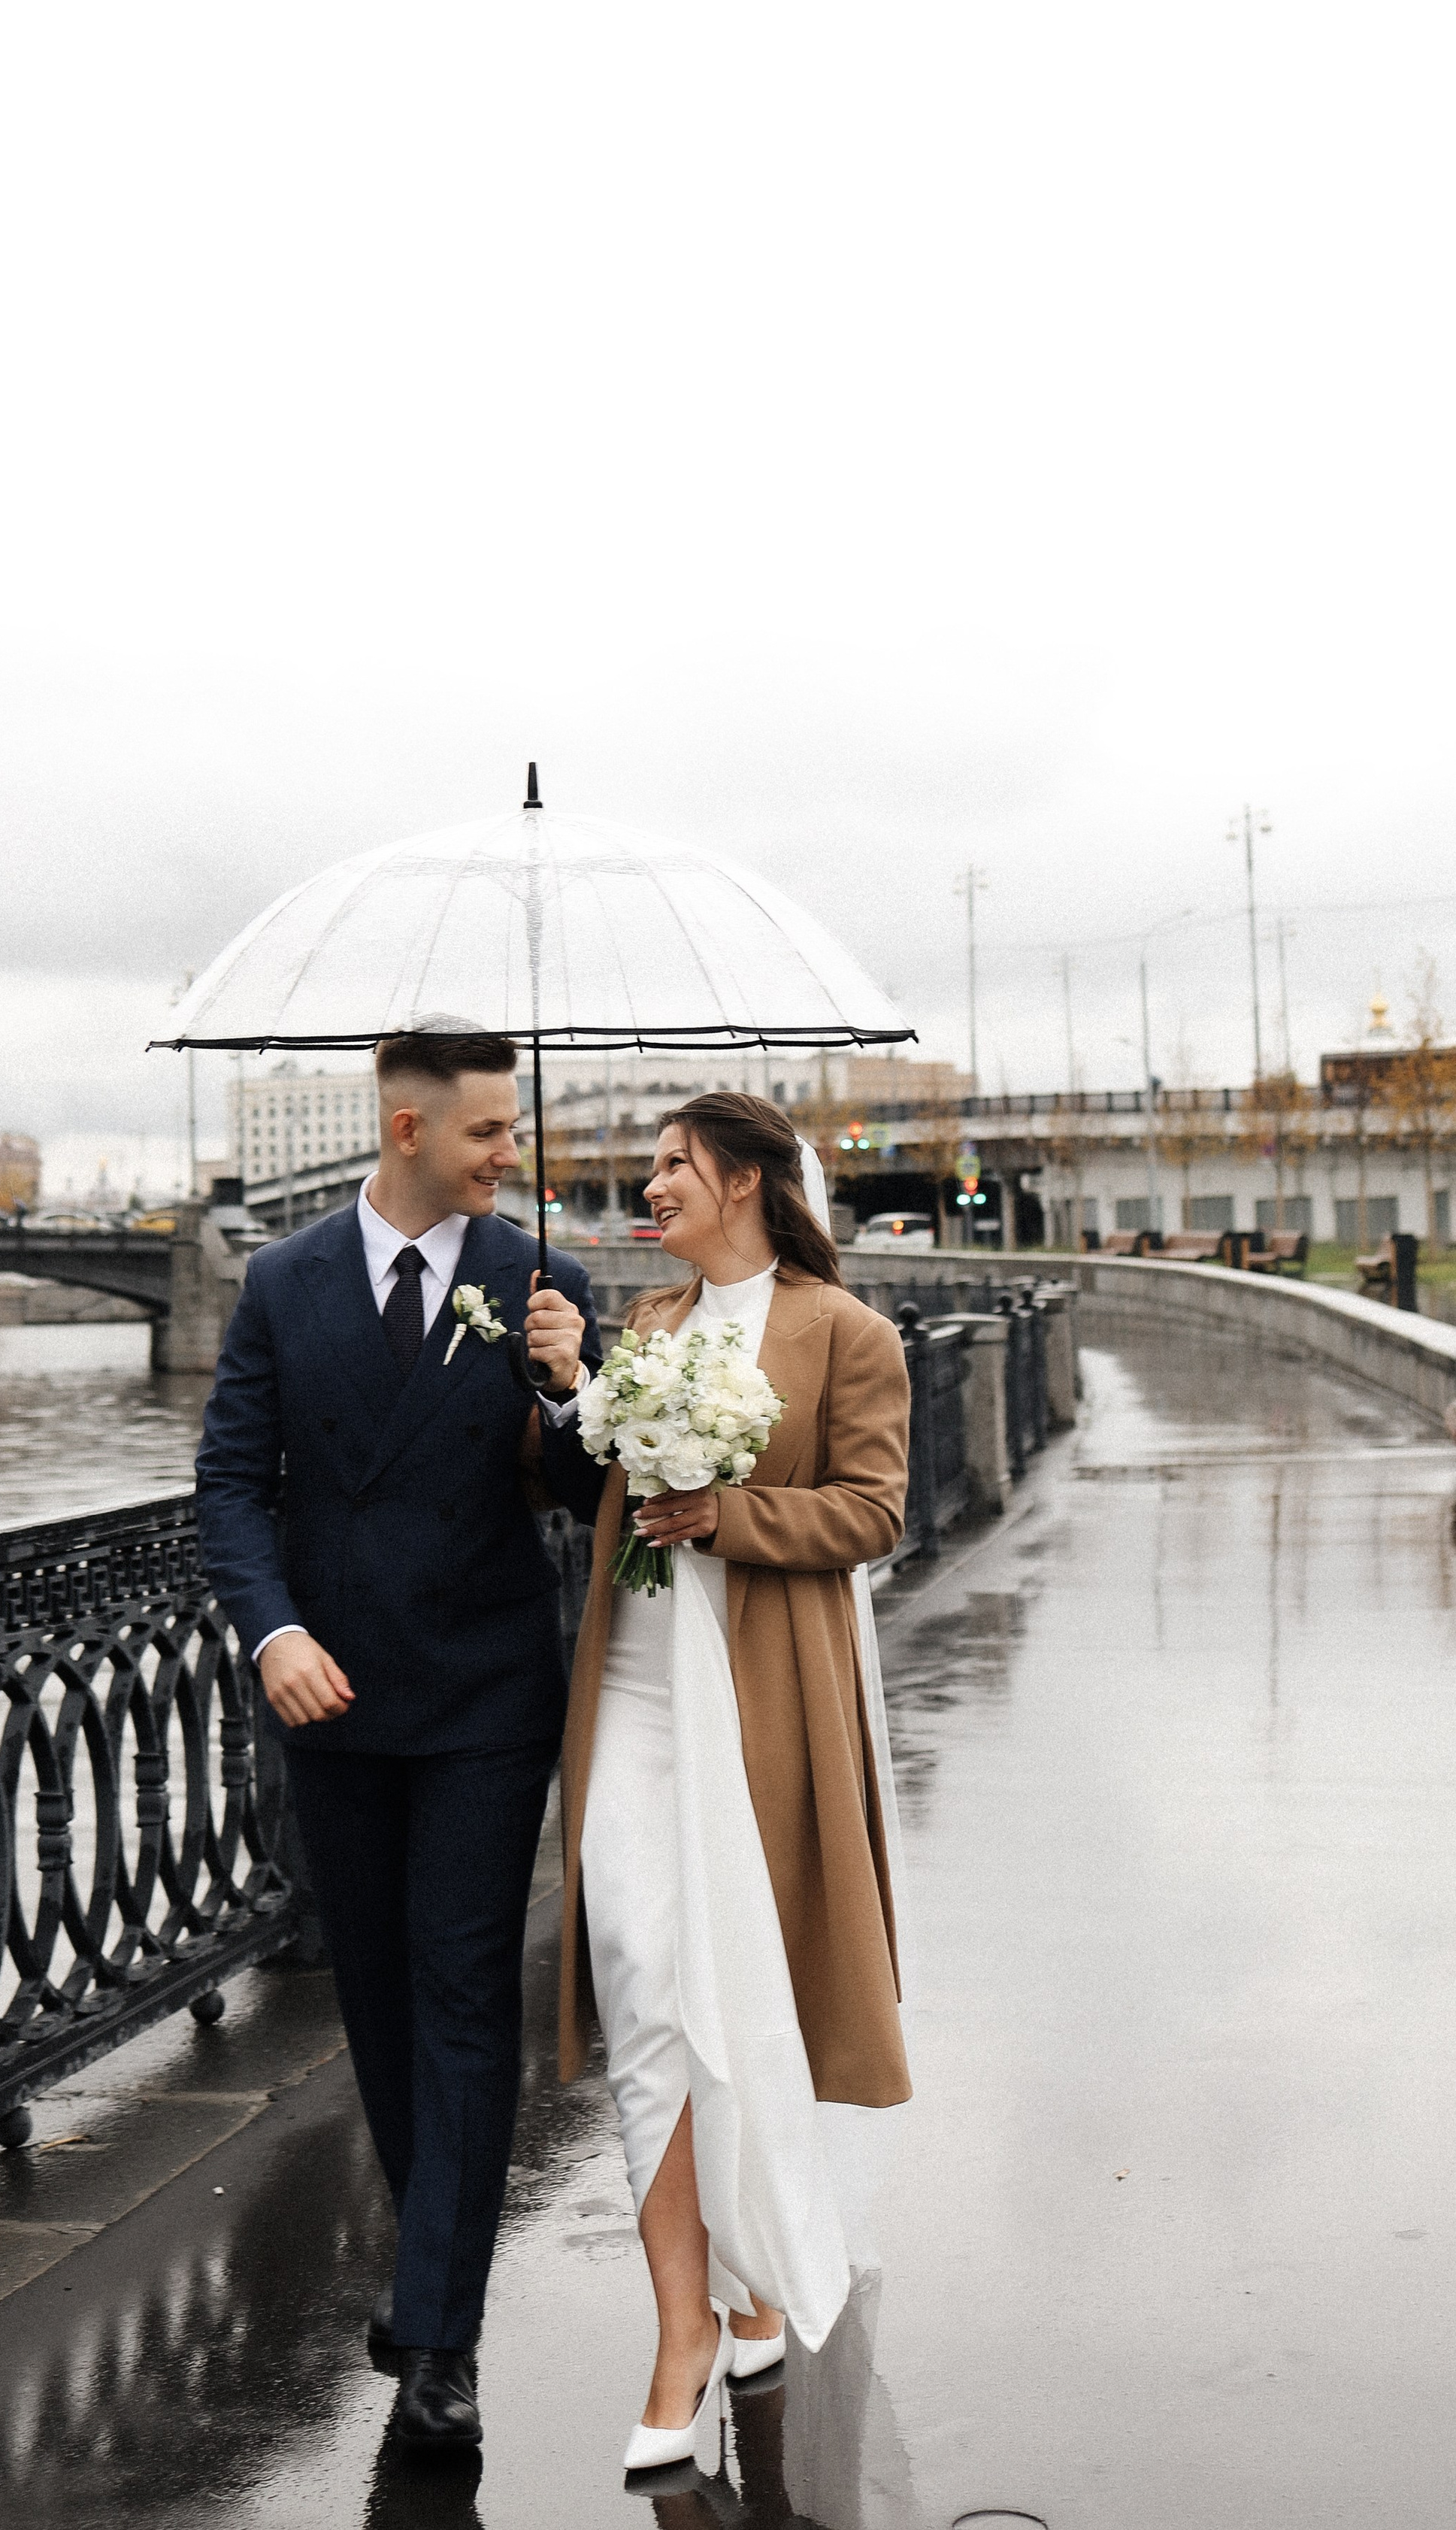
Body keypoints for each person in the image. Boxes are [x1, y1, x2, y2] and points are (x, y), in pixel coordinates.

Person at [196, 1026, 604, 2450]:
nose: (515, 1153)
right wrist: (272, 1632)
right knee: (376, 2006)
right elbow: (235, 1482)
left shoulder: (540, 1282)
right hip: (334, 1698)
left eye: (514, 1128)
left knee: (462, 1999)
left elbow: (580, 1488)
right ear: (411, 1129)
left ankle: (440, 2341)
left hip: (489, 1695)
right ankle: (439, 2268)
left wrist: (569, 1385)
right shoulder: (284, 1281)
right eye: (493, 1131)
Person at [556, 1091, 913, 2474]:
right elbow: (594, 1472)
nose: (652, 1190)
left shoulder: (846, 1333)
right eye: (650, 1171)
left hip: (754, 1699)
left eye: (673, 1168)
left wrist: (728, 1510)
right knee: (644, 1974)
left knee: (729, 1991)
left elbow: (874, 1511)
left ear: (750, 1181)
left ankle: (738, 2297)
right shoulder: (646, 1329)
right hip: (634, 1693)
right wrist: (571, 1397)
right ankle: (692, 2326)